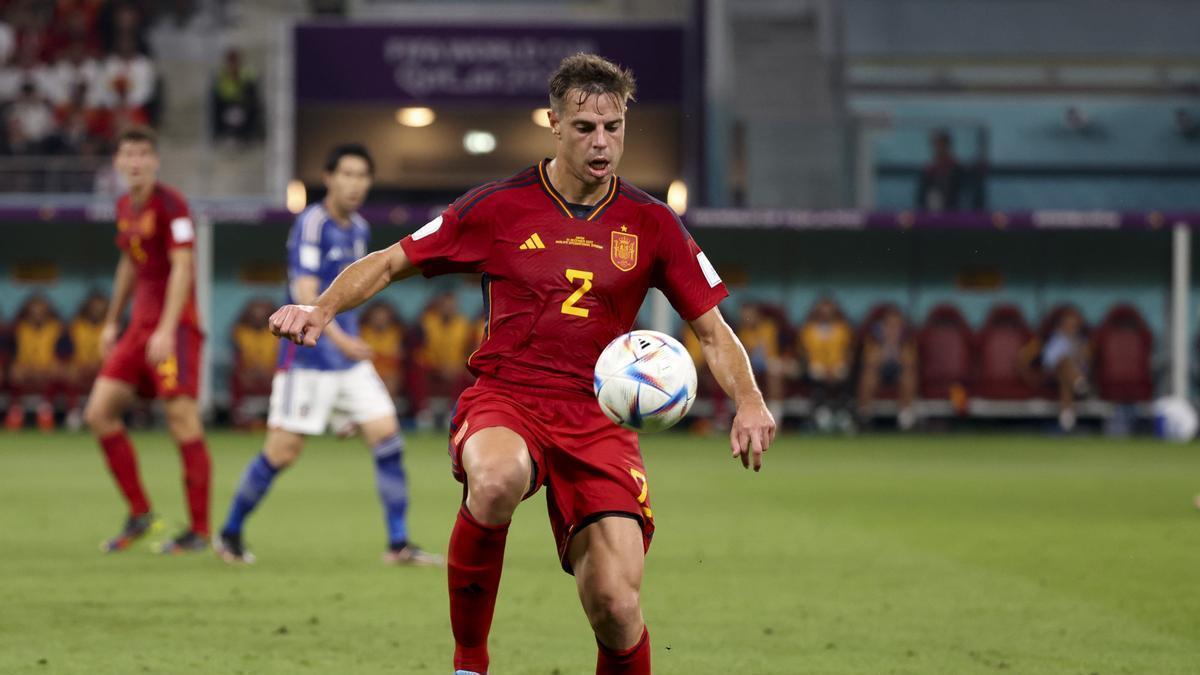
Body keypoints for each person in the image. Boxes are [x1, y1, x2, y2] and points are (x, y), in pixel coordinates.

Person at [268, 53, 776, 675]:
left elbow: (713, 331)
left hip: (599, 420)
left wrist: (749, 400)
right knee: (495, 479)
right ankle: (469, 664)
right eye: (585, 128)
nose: (601, 142)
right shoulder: (498, 207)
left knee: (616, 607)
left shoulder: (653, 223)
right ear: (554, 124)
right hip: (508, 397)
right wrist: (322, 309)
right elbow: (391, 260)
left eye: (613, 127)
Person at [215, 144, 442, 567]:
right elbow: (305, 296)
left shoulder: (356, 227)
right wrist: (343, 342)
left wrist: (350, 348)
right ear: (329, 177)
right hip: (307, 358)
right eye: (347, 174)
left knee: (387, 436)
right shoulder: (313, 223)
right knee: (281, 452)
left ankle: (398, 545)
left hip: (348, 362)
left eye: (363, 176)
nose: (355, 184)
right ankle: (228, 534)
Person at [85, 125, 212, 554]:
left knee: (182, 421)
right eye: (128, 154)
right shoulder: (125, 205)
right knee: (99, 412)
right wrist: (110, 321)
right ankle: (140, 514)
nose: (135, 162)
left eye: (143, 153)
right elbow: (129, 263)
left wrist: (165, 327)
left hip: (173, 328)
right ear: (118, 162)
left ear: (155, 160)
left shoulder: (172, 204)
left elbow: (182, 266)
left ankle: (198, 531)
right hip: (138, 327)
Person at [413, 290, 474, 428]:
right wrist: (437, 365)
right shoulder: (427, 321)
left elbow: (469, 351)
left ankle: (453, 412)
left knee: (466, 374)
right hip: (431, 364)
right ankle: (423, 412)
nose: (448, 308)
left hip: (454, 366)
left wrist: (456, 366)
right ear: (438, 305)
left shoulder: (464, 324)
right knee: (416, 371)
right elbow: (418, 348)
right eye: (445, 304)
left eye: (451, 304)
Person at [5, 295, 64, 432]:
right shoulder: (17, 328)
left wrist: (47, 368)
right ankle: (16, 409)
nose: (38, 314)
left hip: (47, 368)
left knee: (59, 370)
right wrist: (17, 367)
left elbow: (62, 355)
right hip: (24, 368)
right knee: (14, 371)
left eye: (41, 311)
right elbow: (10, 355)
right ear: (27, 312)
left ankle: (46, 409)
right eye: (34, 311)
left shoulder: (56, 328)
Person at [857, 307, 918, 430]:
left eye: (896, 326)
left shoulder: (906, 340)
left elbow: (910, 361)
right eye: (889, 325)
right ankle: (864, 415)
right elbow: (869, 360)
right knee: (868, 373)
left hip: (898, 373)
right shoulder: (874, 338)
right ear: (883, 326)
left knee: (909, 374)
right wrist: (884, 347)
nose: (893, 329)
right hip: (879, 373)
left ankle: (906, 415)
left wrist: (897, 348)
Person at [798, 297, 853, 432]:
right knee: (815, 372)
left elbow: (848, 351)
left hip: (838, 366)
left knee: (842, 373)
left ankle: (842, 414)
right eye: (823, 311)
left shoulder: (843, 328)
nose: (826, 314)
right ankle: (821, 413)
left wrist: (838, 367)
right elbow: (803, 352)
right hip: (815, 366)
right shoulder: (808, 329)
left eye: (829, 311)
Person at [63, 291, 109, 430]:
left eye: (100, 307)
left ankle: (107, 415)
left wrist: (101, 365)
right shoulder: (75, 326)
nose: (97, 311)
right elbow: (66, 353)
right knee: (69, 372)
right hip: (80, 367)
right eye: (94, 307)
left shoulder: (111, 326)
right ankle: (74, 412)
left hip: (104, 368)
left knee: (115, 378)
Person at [229, 298, 277, 428]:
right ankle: (242, 419)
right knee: (234, 377)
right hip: (247, 376)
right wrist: (247, 375)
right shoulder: (239, 332)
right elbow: (237, 359)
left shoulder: (278, 332)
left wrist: (271, 375)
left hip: (272, 376)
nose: (258, 315)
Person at [1041, 307, 1090, 432]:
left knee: (1065, 378)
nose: (1071, 328)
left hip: (1070, 375)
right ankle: (1079, 383)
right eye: (1069, 324)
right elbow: (1048, 360)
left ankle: (1066, 421)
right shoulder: (1055, 339)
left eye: (1074, 325)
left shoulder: (1081, 341)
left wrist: (1078, 352)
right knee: (1064, 363)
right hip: (1054, 374)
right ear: (1062, 325)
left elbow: (1086, 363)